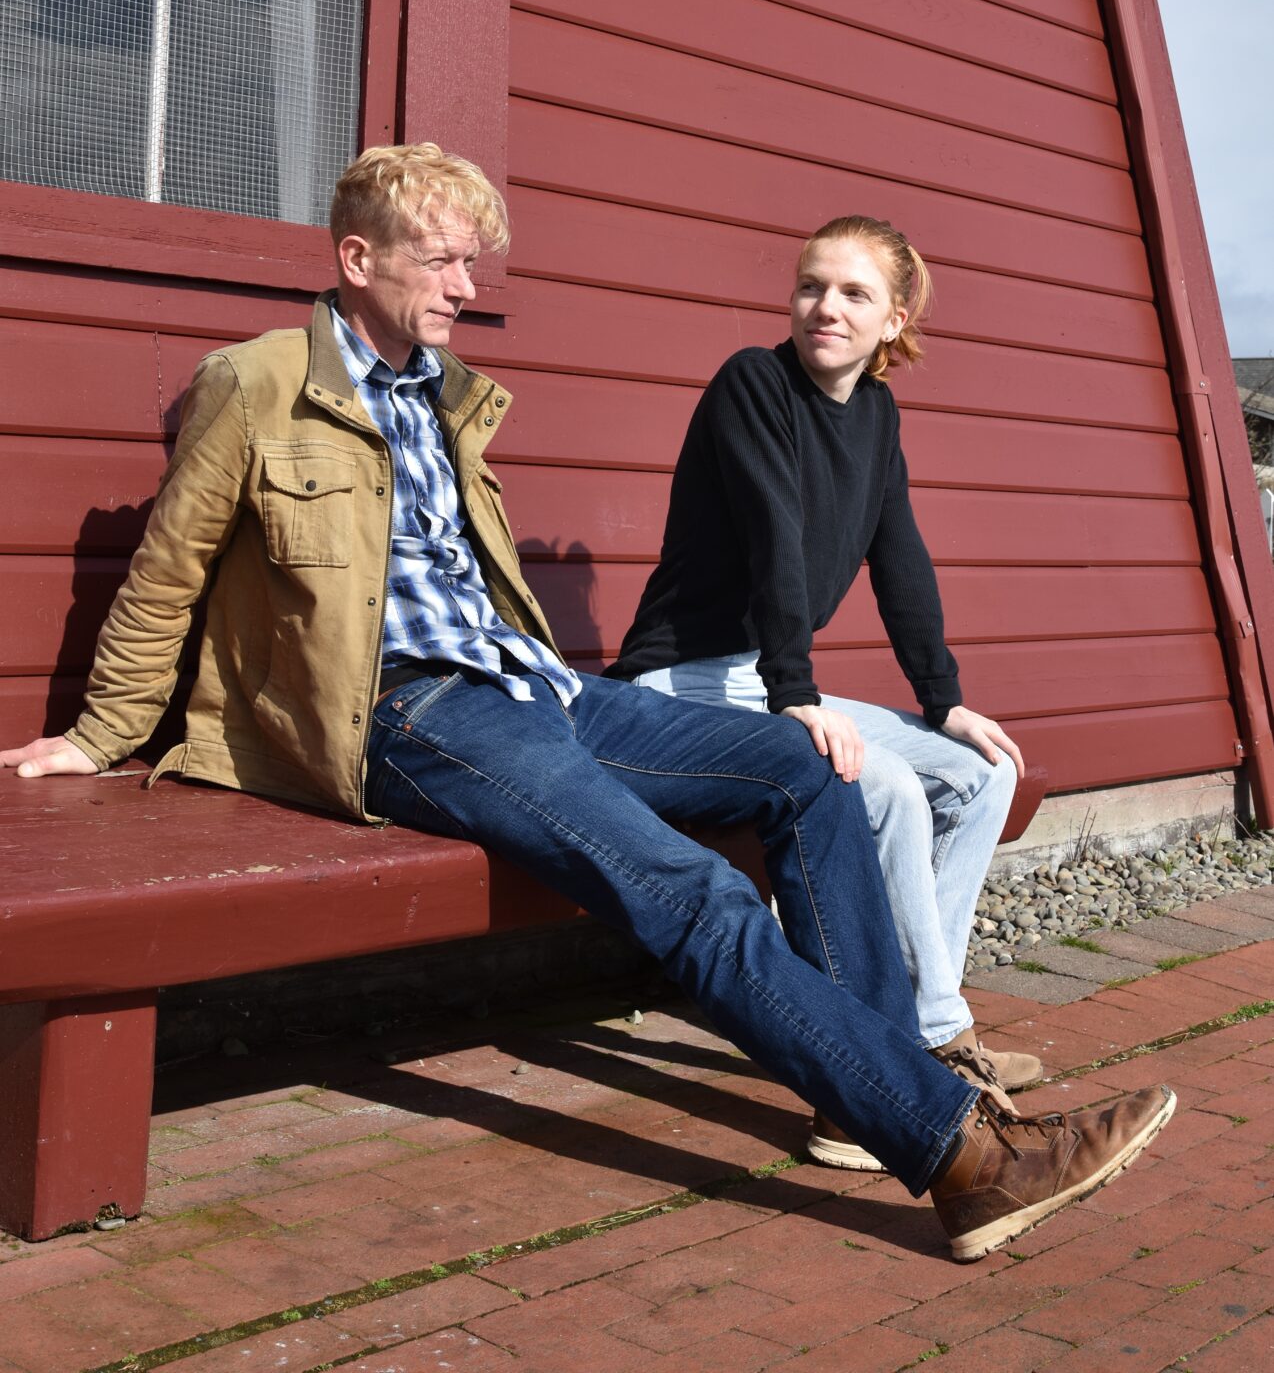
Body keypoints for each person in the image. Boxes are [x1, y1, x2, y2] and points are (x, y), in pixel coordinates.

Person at [0, 147, 1173, 1263]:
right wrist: (102, 735)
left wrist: (926, 698)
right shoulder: (256, 381)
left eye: (471, 262)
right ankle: (962, 1157)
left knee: (807, 767)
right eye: (441, 260)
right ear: (357, 259)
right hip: (405, 712)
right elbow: (169, 569)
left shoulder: (444, 395)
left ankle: (864, 1100)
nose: (466, 286)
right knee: (692, 890)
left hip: (538, 686)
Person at [609, 215, 1039, 1168]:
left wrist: (944, 701)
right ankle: (910, 1059)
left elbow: (901, 560)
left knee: (981, 773)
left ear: (895, 319)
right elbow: (775, 537)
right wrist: (794, 693)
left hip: (768, 674)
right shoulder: (753, 384)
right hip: (685, 681)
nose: (825, 308)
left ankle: (923, 1028)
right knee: (880, 784)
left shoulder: (877, 416)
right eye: (811, 286)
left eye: (853, 293)